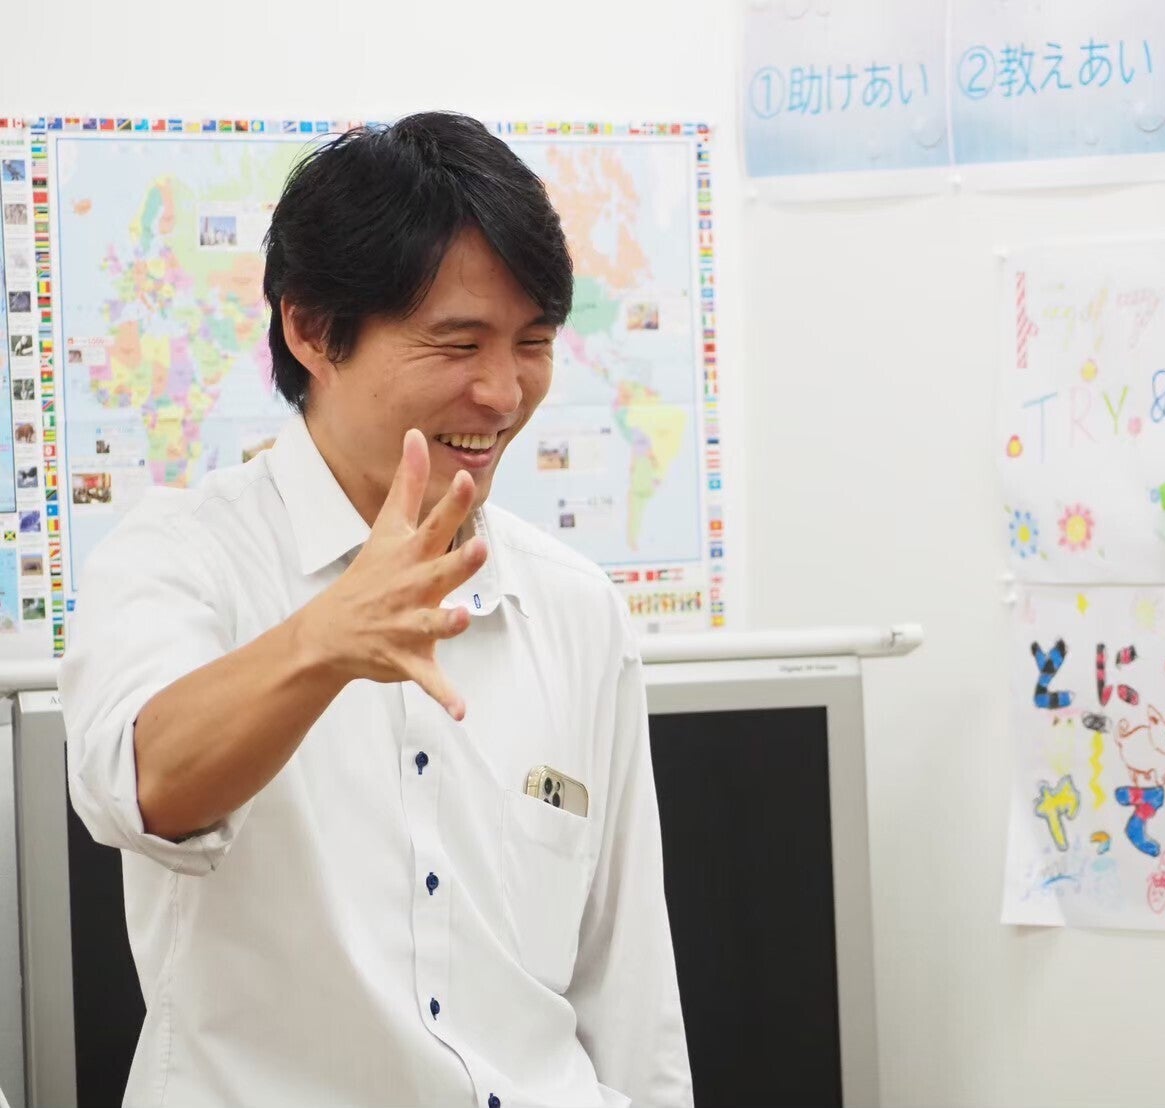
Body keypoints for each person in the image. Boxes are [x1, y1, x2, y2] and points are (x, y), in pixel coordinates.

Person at [60, 111, 692, 1108]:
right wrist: (324, 640)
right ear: (312, 330)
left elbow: (630, 990)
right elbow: (142, 789)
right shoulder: (180, 554)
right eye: (457, 343)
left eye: (532, 343)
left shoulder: (574, 607)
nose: (503, 391)